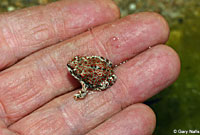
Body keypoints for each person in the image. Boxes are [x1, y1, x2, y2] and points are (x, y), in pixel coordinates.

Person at [0, 0, 180, 134]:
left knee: (108, 80)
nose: (70, 70)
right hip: (100, 65)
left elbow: (85, 86)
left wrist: (83, 91)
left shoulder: (82, 76)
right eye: (73, 68)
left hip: (102, 73)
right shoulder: (81, 66)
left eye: (73, 69)